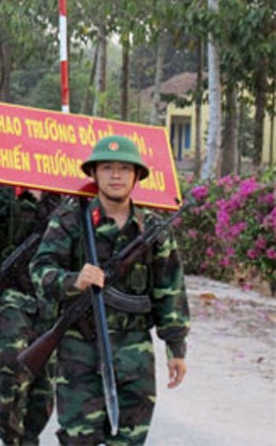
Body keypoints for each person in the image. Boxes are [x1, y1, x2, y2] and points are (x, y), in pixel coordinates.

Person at [30, 135, 190, 445]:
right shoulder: (70, 221)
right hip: (80, 350)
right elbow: (39, 272)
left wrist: (176, 349)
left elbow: (170, 291)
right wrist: (73, 280)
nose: (115, 175)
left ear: (136, 176)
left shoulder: (152, 230)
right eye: (107, 167)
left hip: (134, 355)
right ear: (93, 174)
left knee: (130, 440)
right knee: (79, 439)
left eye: (124, 168)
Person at [0, 184, 61, 445]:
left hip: (53, 297)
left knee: (43, 387)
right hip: (12, 293)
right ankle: (9, 432)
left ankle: (28, 438)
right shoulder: (0, 191)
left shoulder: (66, 193)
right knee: (11, 367)